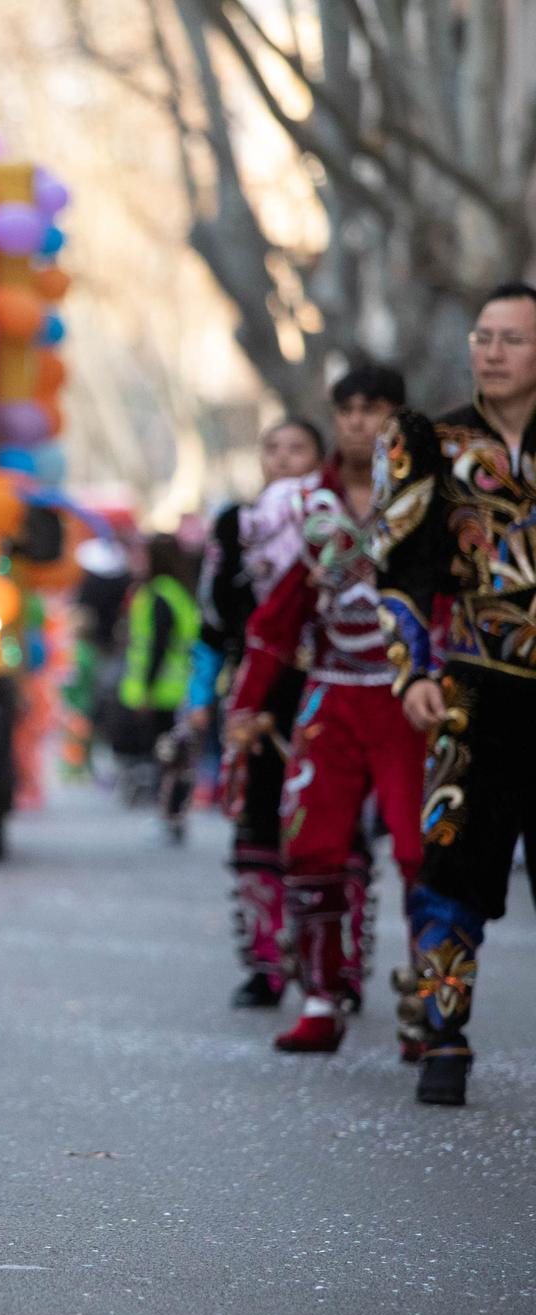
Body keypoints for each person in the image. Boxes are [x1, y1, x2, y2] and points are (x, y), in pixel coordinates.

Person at [378, 281, 536, 1107]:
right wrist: (412, 672)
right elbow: (401, 571)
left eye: (513, 338)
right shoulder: (433, 443)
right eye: (483, 336)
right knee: (452, 860)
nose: (492, 352)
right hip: (475, 690)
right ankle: (444, 1035)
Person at [226, 366, 415, 1053]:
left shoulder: (426, 497)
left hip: (408, 698)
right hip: (331, 695)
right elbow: (278, 616)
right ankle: (321, 997)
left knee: (423, 852)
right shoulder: (305, 504)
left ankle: (433, 1011)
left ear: (397, 417)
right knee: (310, 846)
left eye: (374, 408)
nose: (359, 421)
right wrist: (246, 703)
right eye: (348, 410)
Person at [193, 418, 325, 1006]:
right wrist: (201, 698)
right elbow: (214, 614)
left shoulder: (338, 522)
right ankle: (265, 963)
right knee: (255, 821)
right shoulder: (236, 524)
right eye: (272, 448)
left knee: (327, 826)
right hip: (255, 689)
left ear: (318, 457)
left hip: (326, 686)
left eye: (297, 448)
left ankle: (332, 967)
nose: (283, 458)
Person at [115, 534, 201, 837]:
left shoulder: (159, 595)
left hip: (165, 691)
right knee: (176, 756)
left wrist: (147, 690)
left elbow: (157, 647)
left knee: (168, 756)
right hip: (181, 688)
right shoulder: (178, 591)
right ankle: (173, 816)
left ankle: (170, 817)